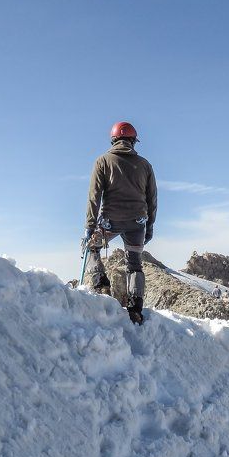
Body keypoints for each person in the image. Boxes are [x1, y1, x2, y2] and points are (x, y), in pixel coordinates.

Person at [81, 121, 157, 324]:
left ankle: (100, 283)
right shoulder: (145, 165)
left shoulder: (102, 161)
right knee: (134, 265)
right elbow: (152, 200)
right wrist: (149, 227)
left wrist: (89, 226)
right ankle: (135, 309)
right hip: (137, 222)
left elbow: (94, 197)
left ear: (113, 139)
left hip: (109, 221)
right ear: (132, 141)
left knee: (91, 248)